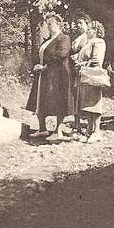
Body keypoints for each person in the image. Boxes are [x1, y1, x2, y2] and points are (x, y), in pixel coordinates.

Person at [26, 12, 74, 140]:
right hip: (44, 75)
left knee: (57, 101)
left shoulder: (64, 38)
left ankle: (58, 131)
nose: (48, 26)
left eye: (50, 24)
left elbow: (61, 55)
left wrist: (45, 66)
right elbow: (40, 56)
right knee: (40, 101)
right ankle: (42, 129)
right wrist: (37, 65)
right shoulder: (47, 41)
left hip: (58, 75)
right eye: (47, 24)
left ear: (58, 24)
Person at [74, 20, 107, 144]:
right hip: (85, 75)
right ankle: (89, 130)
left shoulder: (99, 42)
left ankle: (97, 131)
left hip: (93, 75)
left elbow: (96, 60)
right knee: (87, 104)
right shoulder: (88, 43)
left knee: (94, 104)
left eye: (89, 29)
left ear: (96, 31)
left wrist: (81, 64)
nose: (87, 31)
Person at [69, 12, 91, 135]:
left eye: (81, 23)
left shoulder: (89, 37)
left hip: (85, 69)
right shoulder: (77, 37)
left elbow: (90, 53)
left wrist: (78, 57)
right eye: (77, 23)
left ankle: (88, 125)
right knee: (75, 96)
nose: (78, 25)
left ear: (87, 24)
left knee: (84, 96)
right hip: (74, 69)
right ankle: (76, 124)